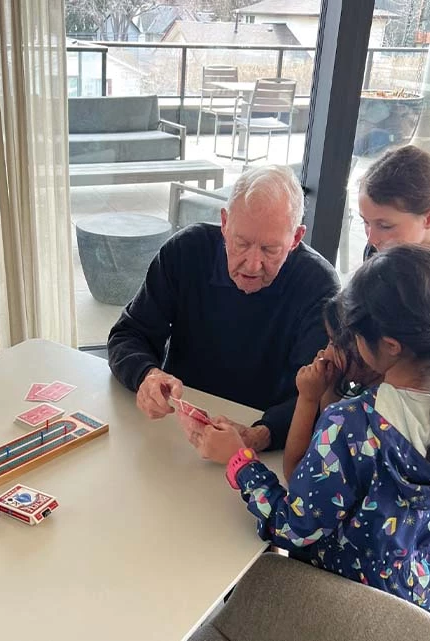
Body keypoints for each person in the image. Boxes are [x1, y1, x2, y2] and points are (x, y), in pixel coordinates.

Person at [186, 244, 430, 611]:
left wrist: (241, 462)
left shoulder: (354, 423)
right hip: (411, 601)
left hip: (335, 605)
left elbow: (294, 527)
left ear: (391, 346)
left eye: (354, 334)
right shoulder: (356, 420)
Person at [107, 165, 340, 451]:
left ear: (295, 239)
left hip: (268, 449)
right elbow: (128, 334)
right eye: (241, 243)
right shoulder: (185, 252)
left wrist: (258, 436)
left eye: (270, 250)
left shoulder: (319, 287)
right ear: (224, 224)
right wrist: (147, 375)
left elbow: (319, 396)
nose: (253, 264)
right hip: (175, 429)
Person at [283, 295, 381, 479]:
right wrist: (331, 384)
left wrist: (308, 399)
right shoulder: (364, 393)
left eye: (335, 343)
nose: (326, 352)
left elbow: (297, 474)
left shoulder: (356, 416)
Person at [359, 145, 430, 259]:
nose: (371, 240)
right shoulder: (374, 253)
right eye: (366, 222)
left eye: (385, 226)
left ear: (427, 219)